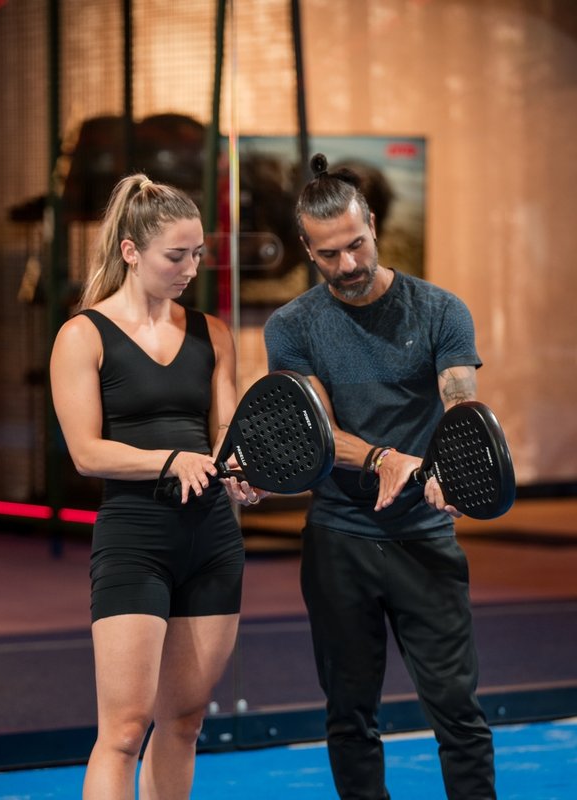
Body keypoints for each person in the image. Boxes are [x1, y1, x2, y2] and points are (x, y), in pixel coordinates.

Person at [264, 153, 496, 800]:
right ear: (308, 250)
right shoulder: (292, 327)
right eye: (330, 254)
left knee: (456, 708)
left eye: (357, 245)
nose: (349, 265)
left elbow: (462, 408)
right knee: (349, 711)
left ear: (372, 225)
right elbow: (315, 430)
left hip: (425, 538)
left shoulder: (440, 310)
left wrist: (454, 465)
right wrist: (382, 458)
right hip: (339, 541)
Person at [50, 173, 261, 800]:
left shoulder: (213, 333)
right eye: (177, 255)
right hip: (135, 541)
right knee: (122, 729)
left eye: (198, 254)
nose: (190, 267)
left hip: (213, 542)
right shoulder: (82, 336)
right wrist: (171, 459)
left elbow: (224, 437)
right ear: (131, 251)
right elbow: (87, 452)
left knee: (185, 721)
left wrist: (241, 473)